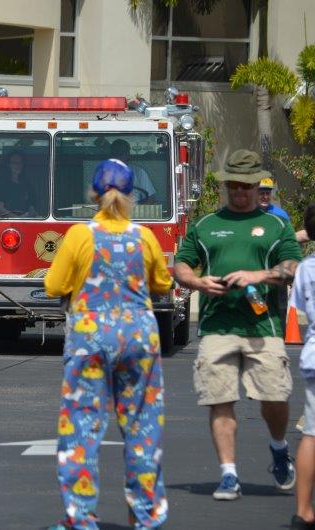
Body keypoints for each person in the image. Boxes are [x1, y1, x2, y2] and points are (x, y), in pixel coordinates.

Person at [44, 159, 171, 530]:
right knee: (143, 427)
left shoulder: (80, 235)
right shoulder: (144, 236)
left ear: (93, 194)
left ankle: (81, 517)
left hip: (90, 335)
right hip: (138, 335)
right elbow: (162, 283)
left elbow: (54, 285)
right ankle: (147, 516)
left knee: (81, 426)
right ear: (132, 195)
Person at [173, 149, 302, 500]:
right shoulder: (206, 225)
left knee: (275, 395)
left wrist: (258, 275)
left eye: (246, 186)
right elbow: (182, 264)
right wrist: (197, 282)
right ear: (226, 185)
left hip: (263, 327)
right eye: (234, 185)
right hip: (217, 326)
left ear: (257, 186)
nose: (240, 192)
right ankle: (228, 474)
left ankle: (278, 447)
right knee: (220, 398)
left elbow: (293, 266)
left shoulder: (276, 225)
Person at [292, 204, 315, 530]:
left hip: (313, 354)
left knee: (311, 435)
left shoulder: (306, 269)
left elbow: (299, 312)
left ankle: (303, 510)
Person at [110, 139, 156, 204]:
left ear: (128, 154)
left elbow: (151, 198)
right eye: (116, 153)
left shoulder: (139, 172)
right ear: (112, 155)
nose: (119, 156)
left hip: (135, 209)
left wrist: (141, 209)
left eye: (122, 153)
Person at [0, 151, 35, 218]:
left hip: (26, 219)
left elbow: (31, 205)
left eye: (20, 162)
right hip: (7, 221)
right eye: (15, 163)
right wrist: (18, 219)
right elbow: (0, 209)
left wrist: (32, 214)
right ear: (8, 165)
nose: (18, 165)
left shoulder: (27, 183)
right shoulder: (2, 184)